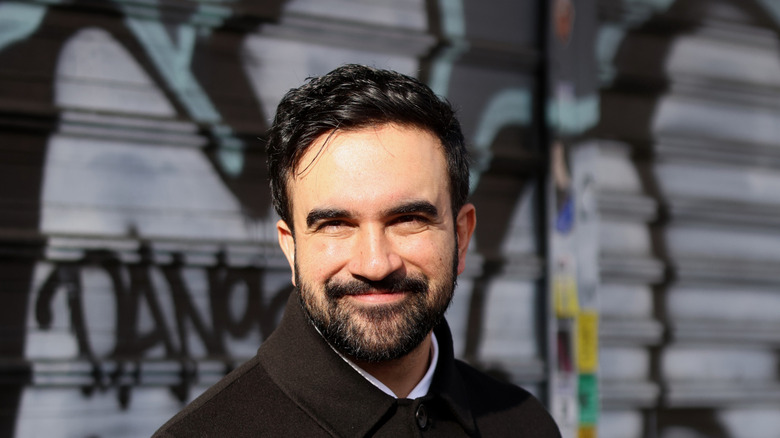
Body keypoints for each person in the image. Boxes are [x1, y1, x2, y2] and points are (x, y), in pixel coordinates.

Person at [153, 64, 561, 437]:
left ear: (462, 235)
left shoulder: (525, 425)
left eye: (407, 220)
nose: (375, 264)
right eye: (336, 225)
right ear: (290, 248)